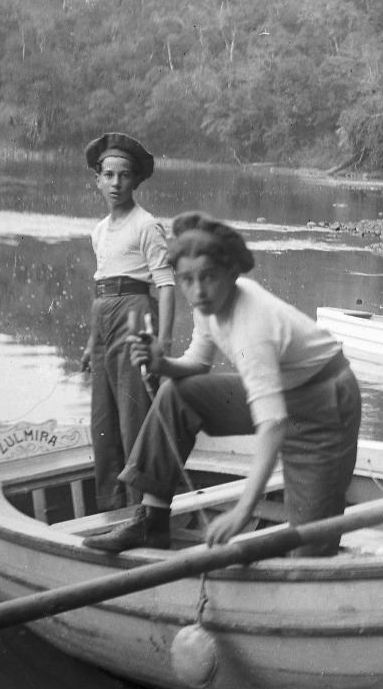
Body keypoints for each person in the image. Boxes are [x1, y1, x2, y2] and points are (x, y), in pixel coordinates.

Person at [83, 212, 361, 557]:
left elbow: (273, 424)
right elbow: (198, 362)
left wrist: (242, 511)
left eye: (208, 277)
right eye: (186, 279)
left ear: (232, 273)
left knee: (310, 547)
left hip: (326, 404)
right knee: (176, 394)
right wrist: (161, 364)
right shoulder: (207, 304)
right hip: (282, 391)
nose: (197, 290)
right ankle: (150, 521)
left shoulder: (252, 327)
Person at [82, 132, 175, 513]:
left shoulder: (147, 225)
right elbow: (101, 290)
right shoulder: (99, 231)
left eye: (124, 176)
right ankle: (110, 508)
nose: (116, 183)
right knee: (102, 421)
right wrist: (91, 343)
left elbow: (167, 287)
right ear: (98, 180)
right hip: (103, 316)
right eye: (109, 175)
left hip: (136, 314)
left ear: (136, 181)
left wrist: (163, 344)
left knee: (133, 418)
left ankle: (141, 511)